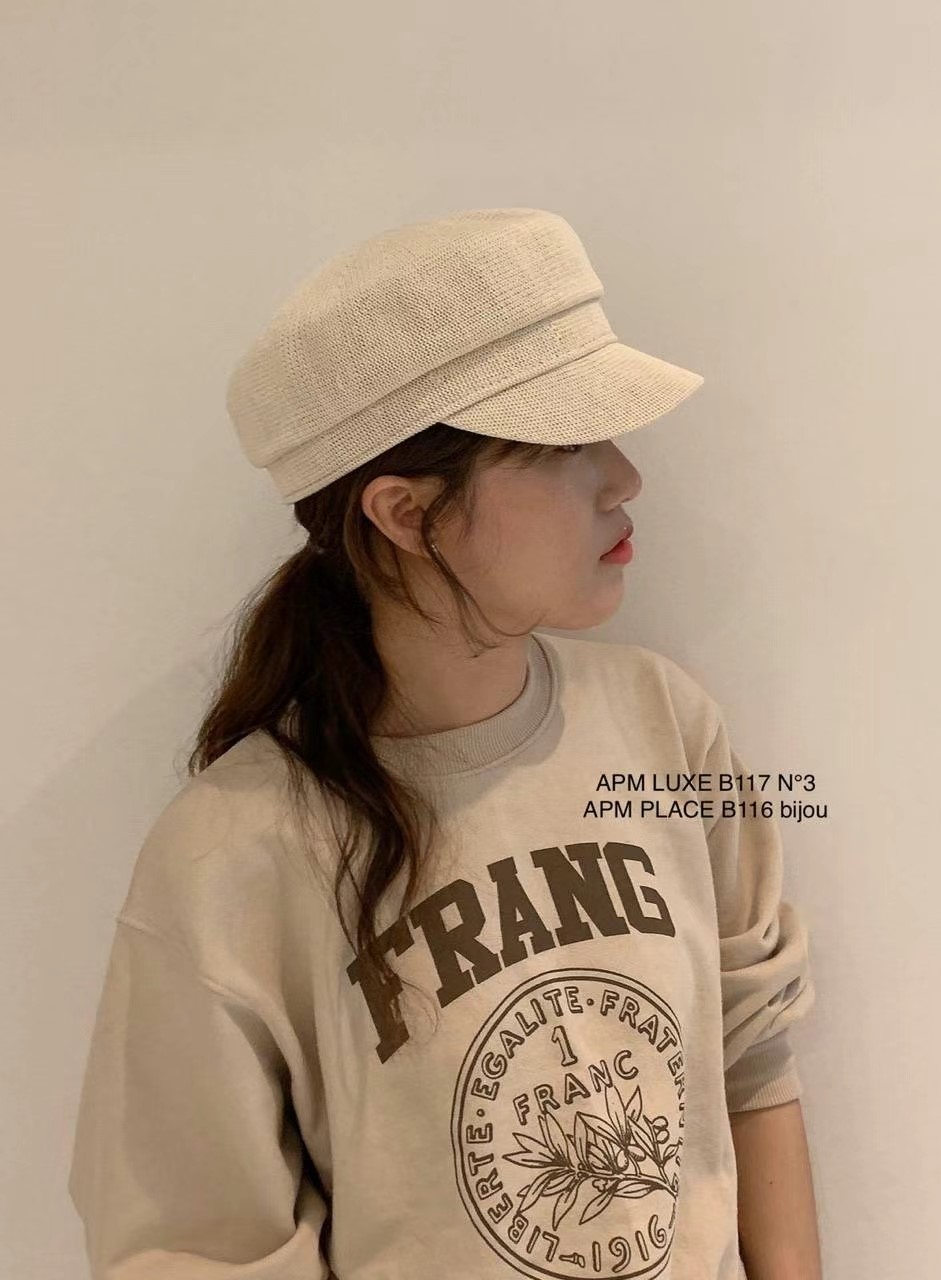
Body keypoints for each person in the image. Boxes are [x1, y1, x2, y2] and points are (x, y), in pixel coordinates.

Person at [67, 207, 821, 1279]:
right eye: (569, 443)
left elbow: (752, 1052)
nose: (625, 477)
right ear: (406, 513)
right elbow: (195, 1247)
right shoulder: (229, 856)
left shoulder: (665, 724)